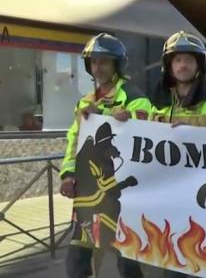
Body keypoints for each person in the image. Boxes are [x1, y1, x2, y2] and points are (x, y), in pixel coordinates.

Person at [59, 33, 150, 278]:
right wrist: (68, 174)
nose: (98, 68)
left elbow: (150, 138)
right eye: (94, 62)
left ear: (117, 65)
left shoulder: (134, 97)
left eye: (105, 62)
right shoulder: (85, 103)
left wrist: (126, 122)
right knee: (76, 260)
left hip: (123, 194)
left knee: (127, 261)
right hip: (89, 193)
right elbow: (74, 142)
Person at [149, 31, 206, 278]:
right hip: (168, 204)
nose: (182, 65)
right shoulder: (159, 104)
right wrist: (120, 120)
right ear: (169, 66)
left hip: (203, 207)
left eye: (188, 60)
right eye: (177, 60)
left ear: (200, 65)